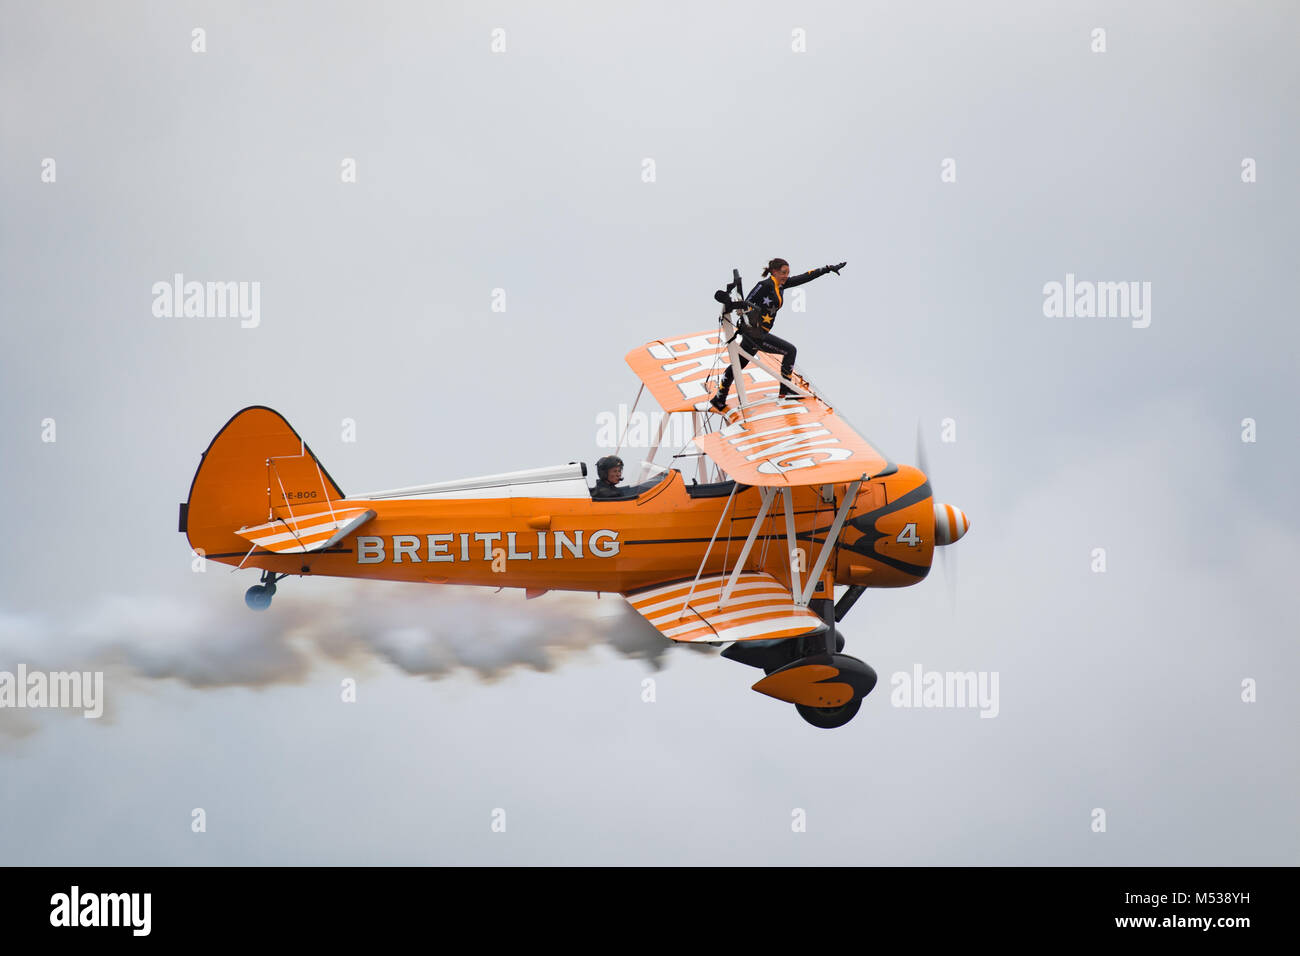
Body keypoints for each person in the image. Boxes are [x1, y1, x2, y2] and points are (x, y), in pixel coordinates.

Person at [710, 257, 846, 410]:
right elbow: (747, 301)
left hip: (757, 334)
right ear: (774, 272)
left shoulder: (781, 284)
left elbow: (804, 277)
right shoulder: (764, 285)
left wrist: (827, 268)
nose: (786, 276)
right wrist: (745, 316)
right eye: (783, 273)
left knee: (739, 364)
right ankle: (786, 390)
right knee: (790, 350)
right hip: (756, 334)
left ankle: (720, 396)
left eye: (788, 273)